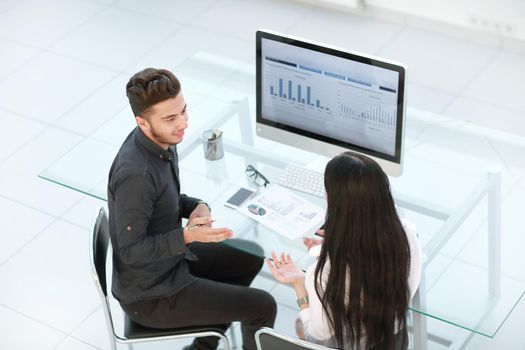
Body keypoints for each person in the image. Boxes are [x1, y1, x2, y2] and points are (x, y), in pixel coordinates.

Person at [107, 68, 277, 350]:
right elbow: (130, 251)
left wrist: (197, 205)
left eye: (183, 111)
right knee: (262, 306)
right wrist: (187, 236)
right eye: (171, 118)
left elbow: (164, 197)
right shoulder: (135, 175)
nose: (183, 123)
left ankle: (201, 348)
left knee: (250, 258)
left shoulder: (161, 140)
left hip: (170, 261)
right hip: (151, 295)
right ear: (143, 123)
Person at [266, 151, 422, 350]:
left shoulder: (327, 274)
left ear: (332, 200)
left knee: (299, 323)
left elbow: (316, 339)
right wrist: (339, 244)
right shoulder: (407, 234)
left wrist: (299, 283)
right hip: (395, 339)